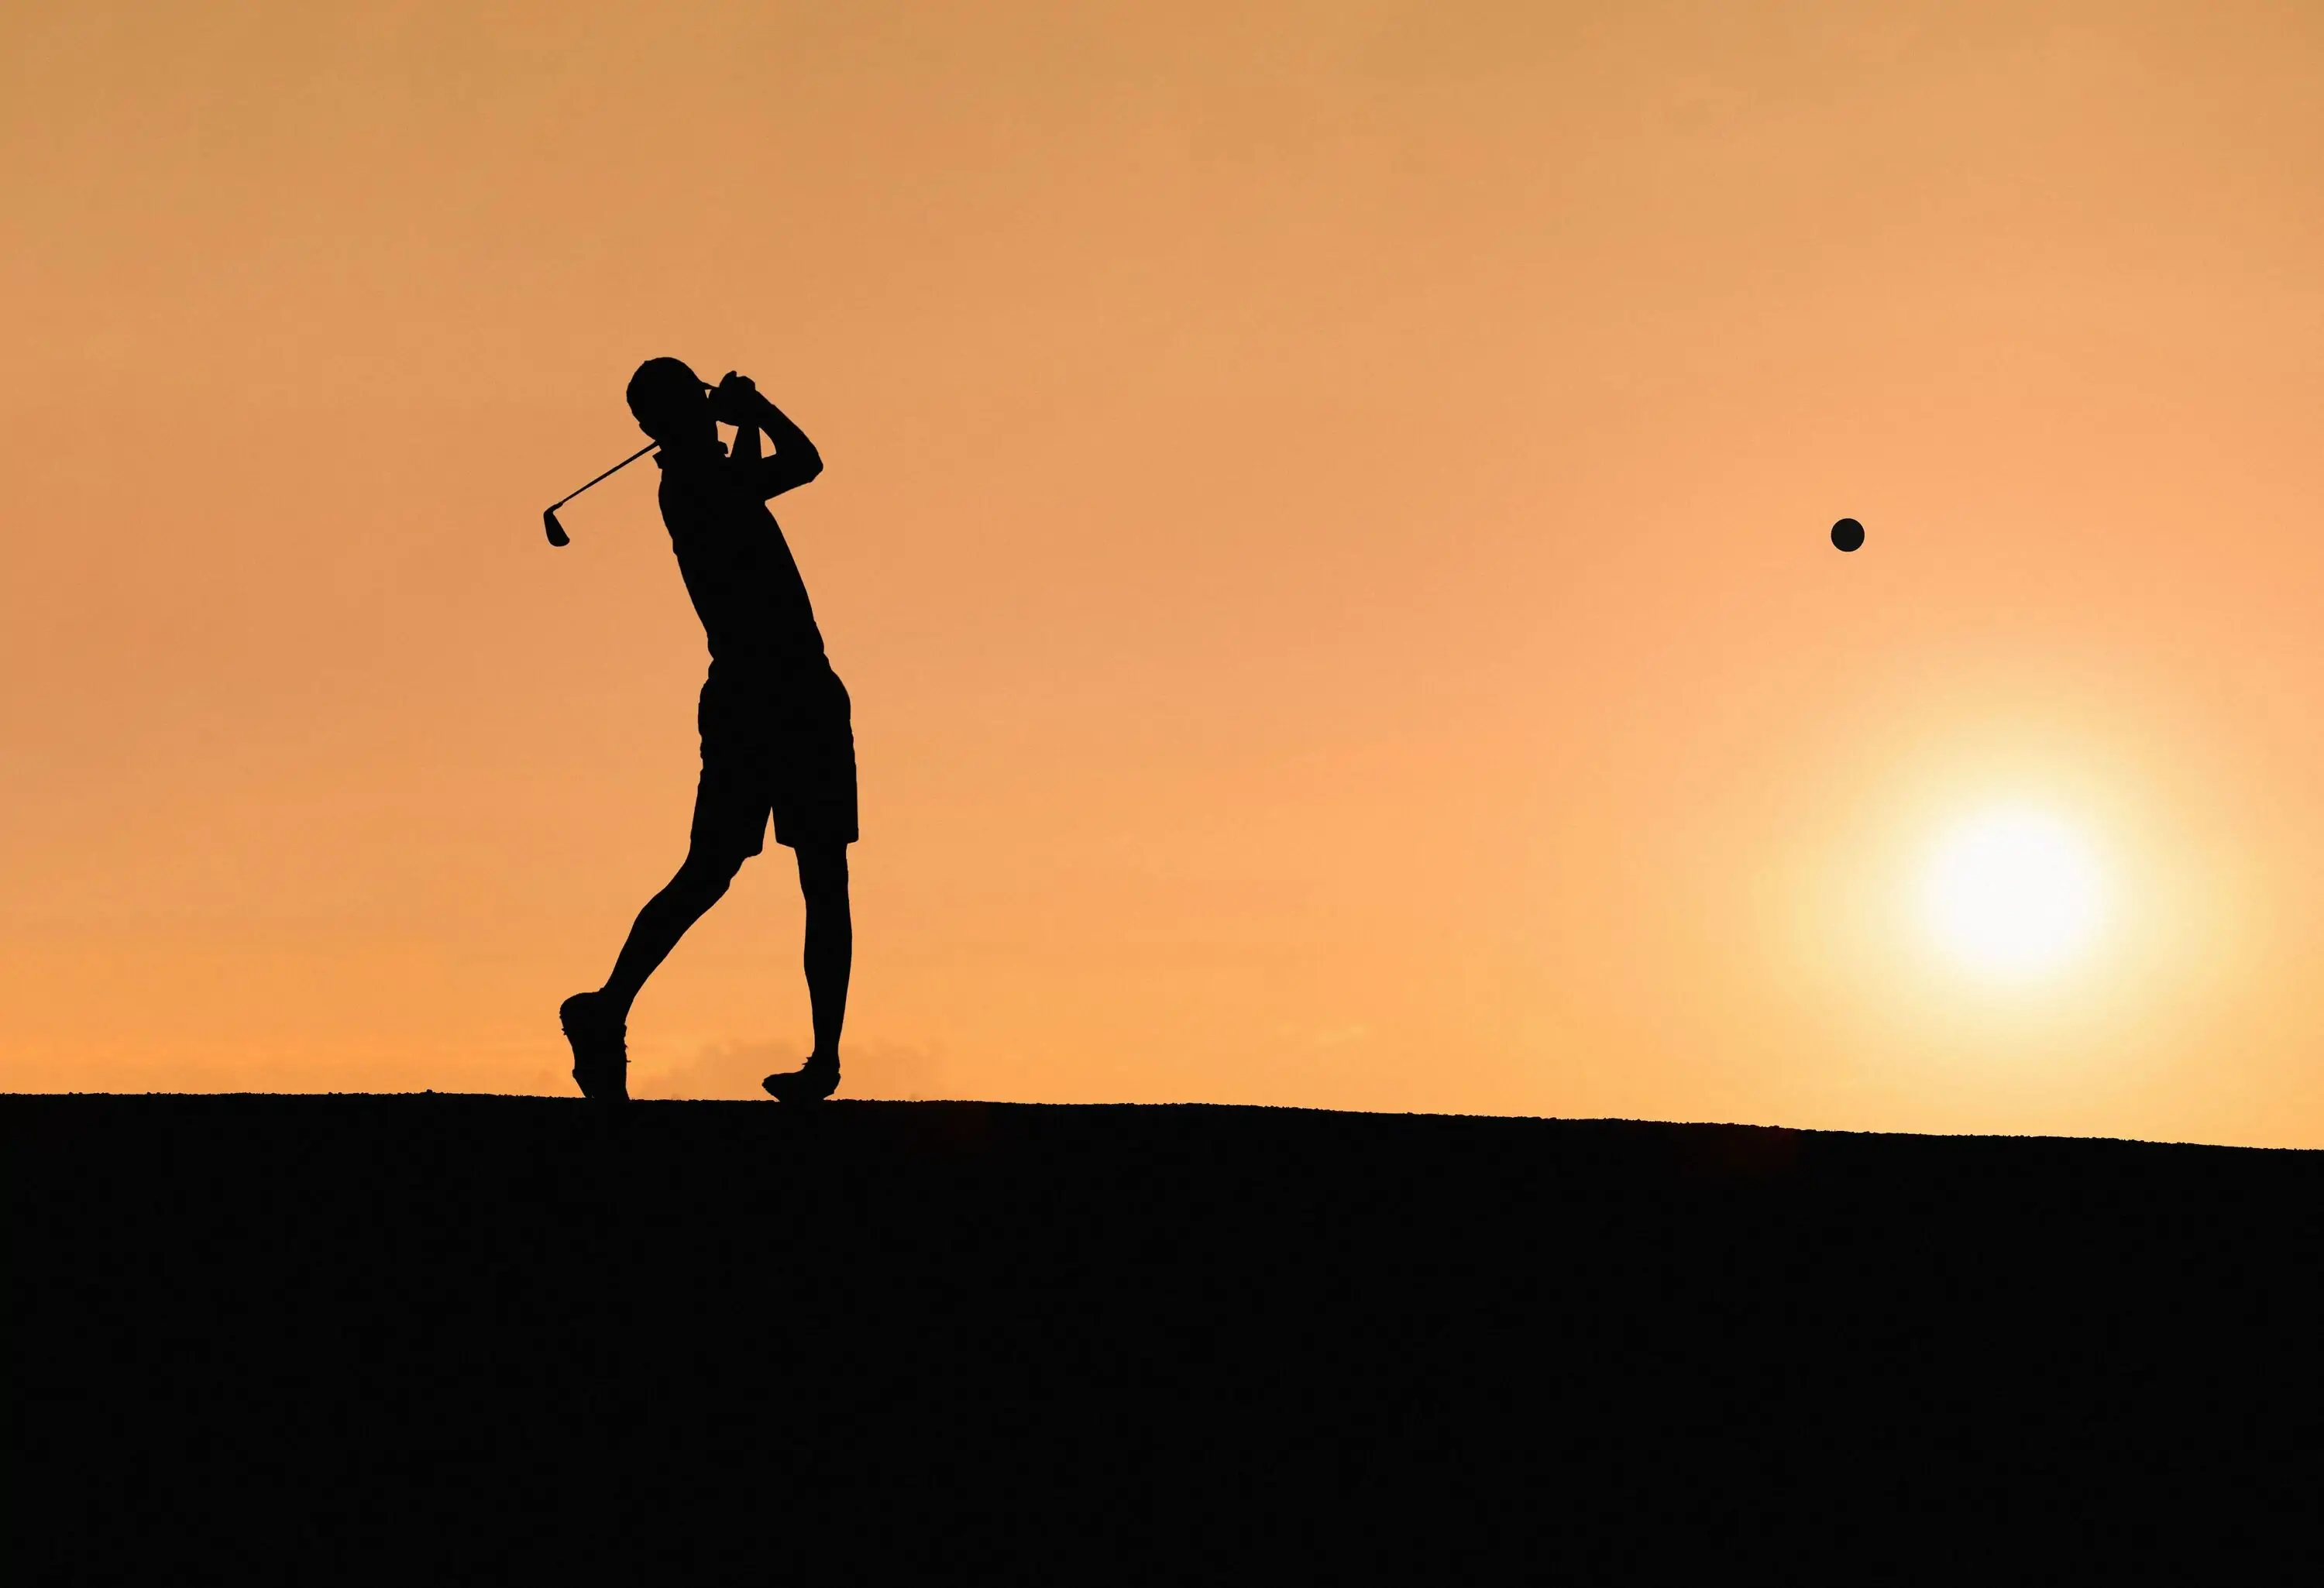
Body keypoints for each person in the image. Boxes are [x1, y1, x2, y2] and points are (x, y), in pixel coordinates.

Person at [559, 358, 854, 1104]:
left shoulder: (705, 478)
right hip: (763, 697)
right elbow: (805, 462)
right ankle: (606, 1008)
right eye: (692, 399)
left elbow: (778, 472)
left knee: (819, 874)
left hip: (795, 693)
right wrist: (754, 408)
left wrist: (744, 417)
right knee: (718, 871)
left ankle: (823, 1060)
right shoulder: (691, 484)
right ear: (671, 419)